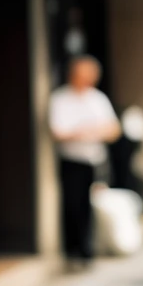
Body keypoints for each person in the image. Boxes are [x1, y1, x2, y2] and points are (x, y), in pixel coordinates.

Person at [48, 55, 121, 269]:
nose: (88, 79)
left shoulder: (97, 98)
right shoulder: (60, 99)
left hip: (95, 160)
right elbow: (58, 132)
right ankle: (73, 252)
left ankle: (88, 250)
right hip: (72, 159)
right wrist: (88, 131)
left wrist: (89, 131)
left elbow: (114, 129)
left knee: (90, 206)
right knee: (72, 205)